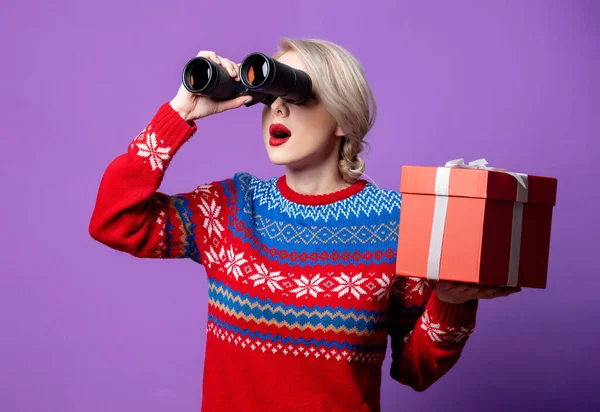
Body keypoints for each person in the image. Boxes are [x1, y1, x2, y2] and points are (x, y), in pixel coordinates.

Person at [89, 38, 521, 411]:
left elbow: (415, 369)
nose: (277, 105)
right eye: (269, 92)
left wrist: (451, 301)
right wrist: (180, 111)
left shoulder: (401, 223)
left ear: (343, 122)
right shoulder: (229, 208)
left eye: (295, 93)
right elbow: (114, 221)